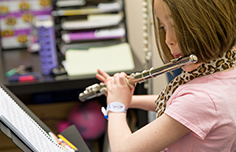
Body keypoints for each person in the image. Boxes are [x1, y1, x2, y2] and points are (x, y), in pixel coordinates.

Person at [96, 0, 236, 151]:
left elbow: (123, 149)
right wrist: (127, 98)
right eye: (163, 27)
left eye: (176, 26)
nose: (168, 40)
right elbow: (178, 105)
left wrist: (116, 106)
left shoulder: (201, 99)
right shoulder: (224, 70)